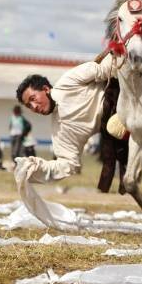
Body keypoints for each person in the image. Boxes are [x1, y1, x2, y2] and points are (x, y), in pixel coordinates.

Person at [13, 55, 116, 186]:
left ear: (45, 89)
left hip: (127, 97)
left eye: (33, 99)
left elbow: (105, 69)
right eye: (28, 106)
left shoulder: (69, 80)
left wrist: (121, 48)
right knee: (114, 128)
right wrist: (37, 167)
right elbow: (68, 164)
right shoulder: (58, 131)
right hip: (119, 130)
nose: (33, 107)